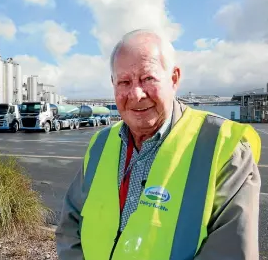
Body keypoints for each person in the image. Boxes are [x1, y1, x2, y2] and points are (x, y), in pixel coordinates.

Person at [55, 29, 262, 260]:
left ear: (174, 78)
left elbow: (231, 251)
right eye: (124, 82)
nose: (135, 94)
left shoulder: (224, 146)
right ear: (113, 84)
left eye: (148, 78)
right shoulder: (101, 144)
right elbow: (70, 226)